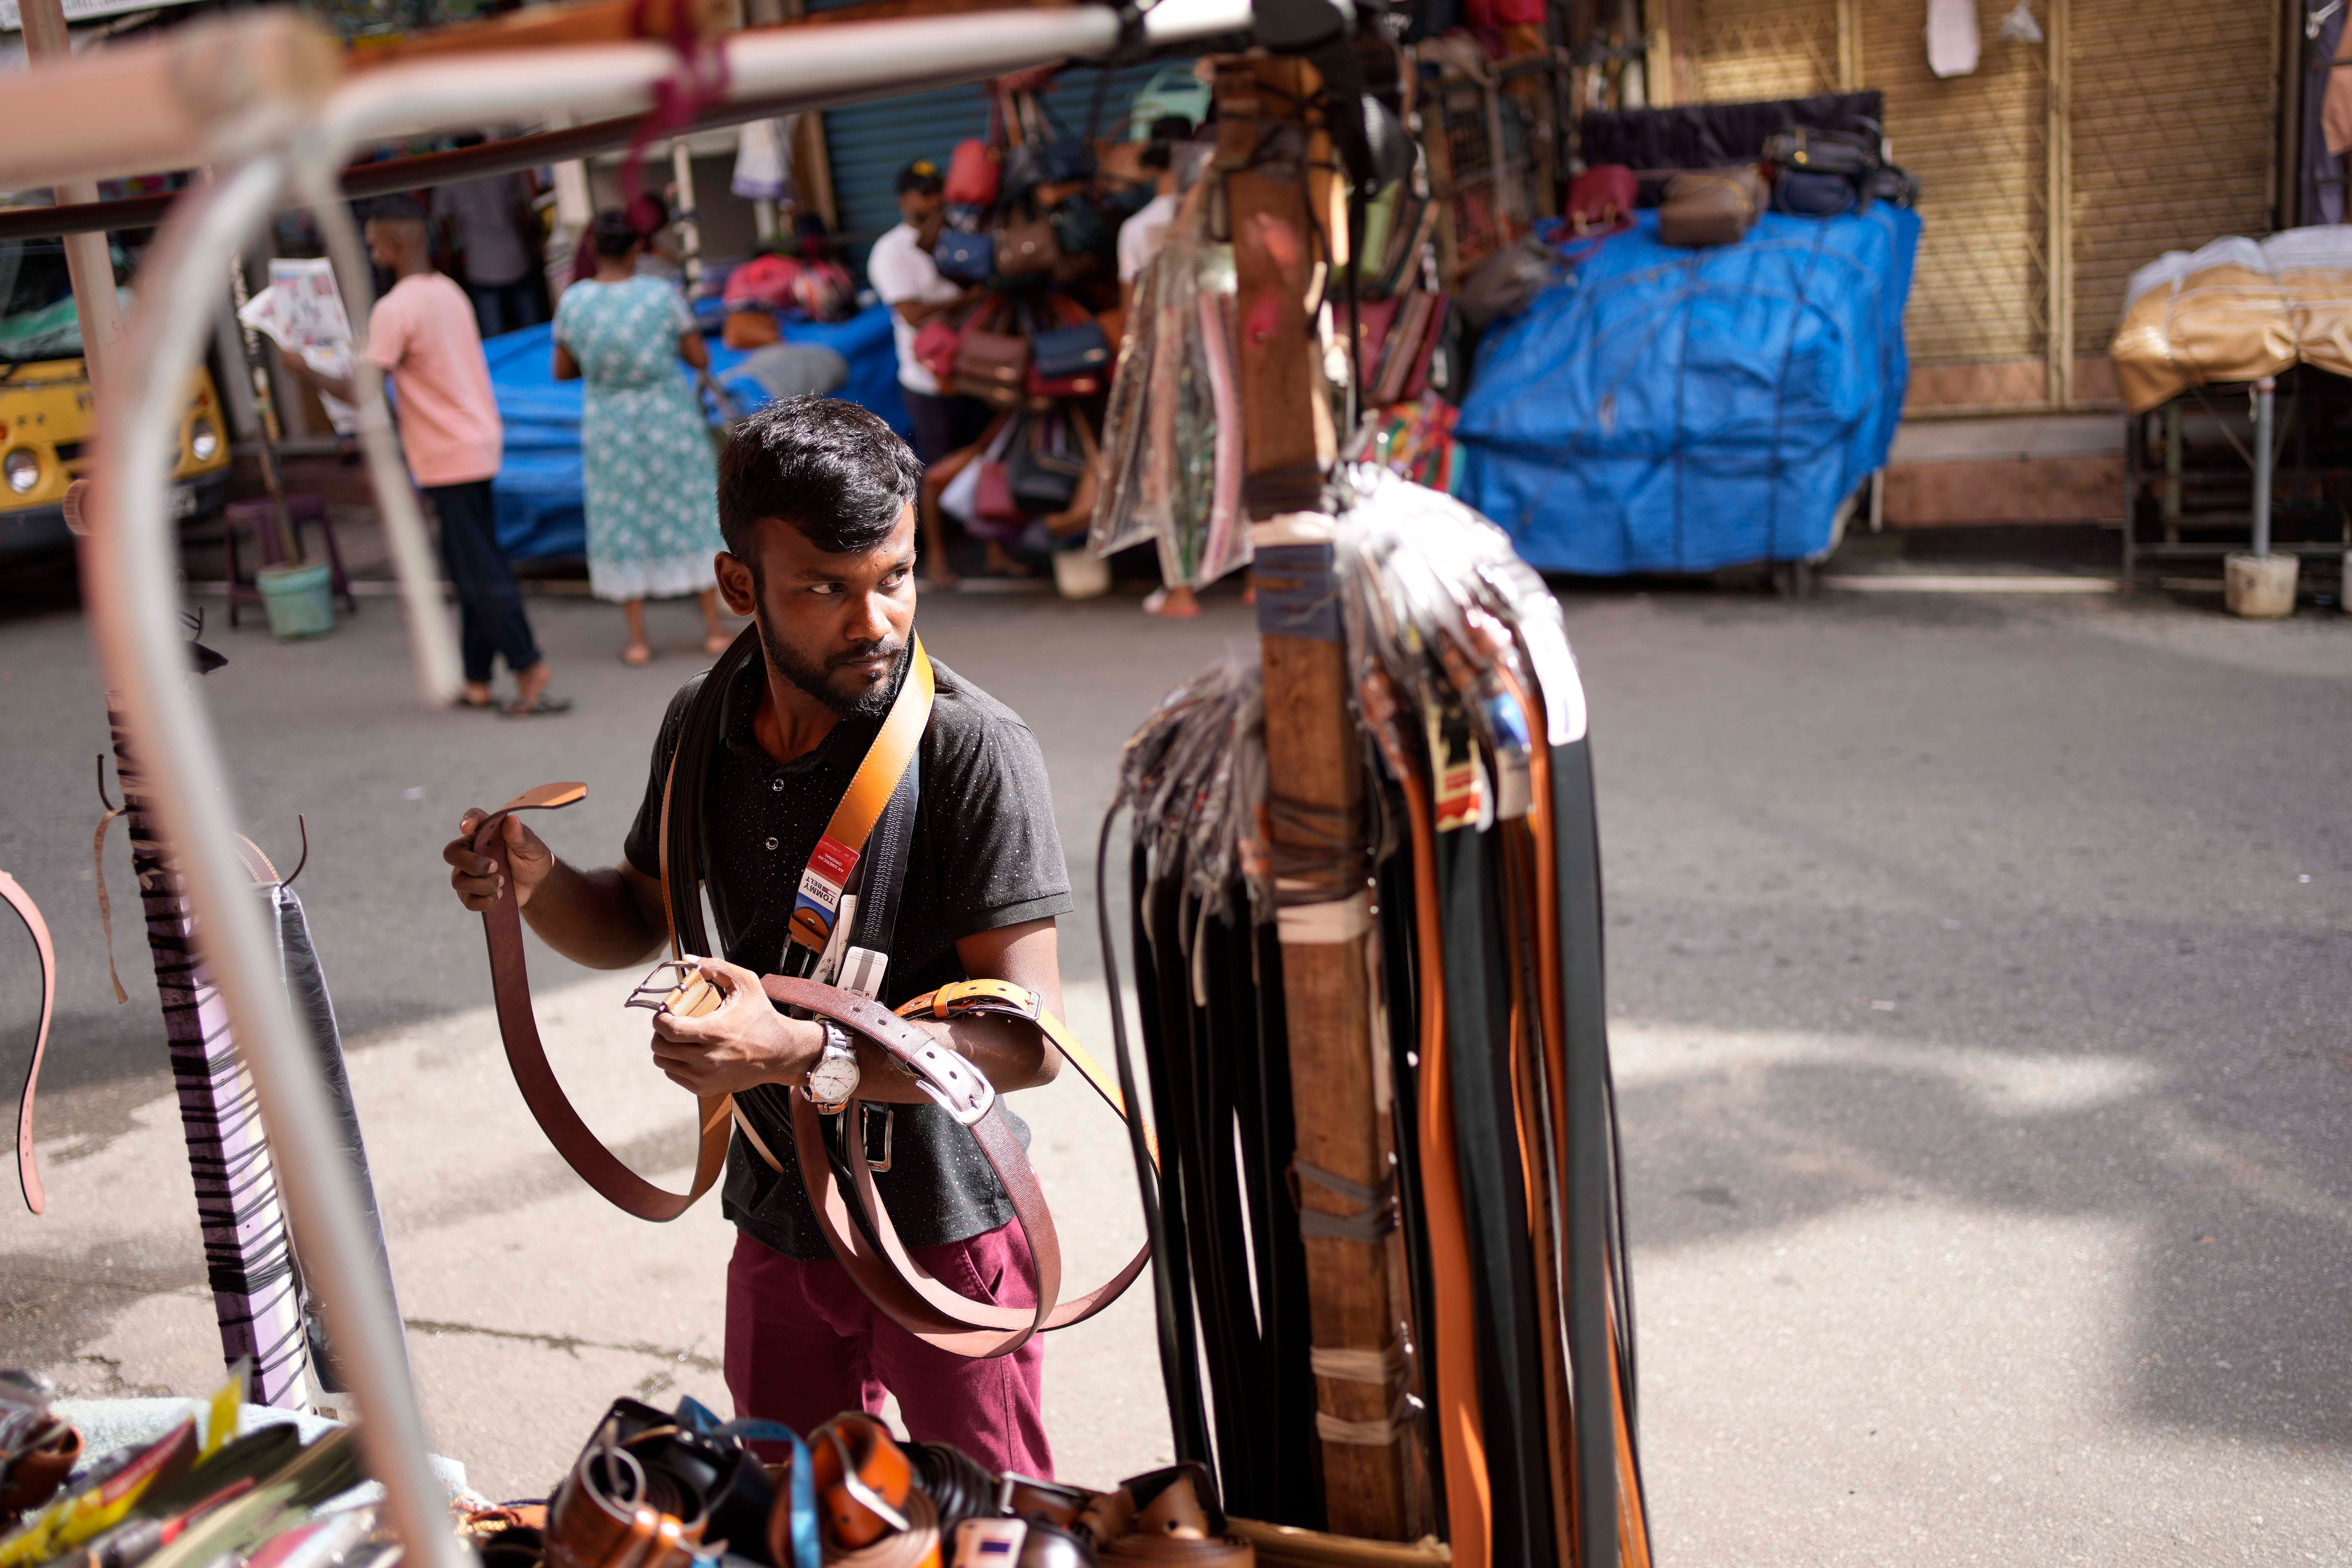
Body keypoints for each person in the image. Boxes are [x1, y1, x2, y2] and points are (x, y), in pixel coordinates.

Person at [440, 396, 1073, 1476]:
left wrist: (803, 1053)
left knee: (992, 1526)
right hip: (778, 1215)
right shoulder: (702, 721)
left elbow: (1028, 1046)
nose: (873, 620)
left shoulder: (973, 750)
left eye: (895, 578)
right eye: (826, 589)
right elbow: (637, 917)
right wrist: (536, 885)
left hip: (945, 1228)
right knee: (782, 1508)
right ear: (742, 586)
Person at [283, 196, 565, 716]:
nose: (371, 253)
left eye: (371, 244)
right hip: (476, 443)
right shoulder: (448, 292)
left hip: (445, 454)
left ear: (391, 245)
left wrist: (302, 368)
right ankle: (478, 678)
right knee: (469, 562)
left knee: (480, 566)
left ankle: (529, 666)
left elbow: (361, 391)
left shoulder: (395, 308)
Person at [554, 208, 734, 665]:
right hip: (666, 416)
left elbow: (562, 369)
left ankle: (638, 639)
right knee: (689, 507)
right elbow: (698, 358)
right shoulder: (660, 295)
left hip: (610, 423)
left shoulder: (574, 301)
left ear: (593, 250)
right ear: (638, 248)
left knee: (621, 519)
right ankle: (713, 629)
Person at [865, 158, 982, 586]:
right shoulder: (891, 250)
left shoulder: (956, 238)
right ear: (904, 200)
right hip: (927, 378)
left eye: (936, 192)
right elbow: (913, 314)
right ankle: (936, 562)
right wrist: (964, 302)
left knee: (981, 456)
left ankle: (997, 553)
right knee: (933, 470)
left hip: (973, 370)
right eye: (923, 193)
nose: (932, 200)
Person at [1117, 117, 1204, 619]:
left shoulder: (1139, 229)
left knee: (1170, 473)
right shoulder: (1215, 218)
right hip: (1220, 358)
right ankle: (1258, 581)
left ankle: (1181, 589)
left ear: (1153, 166)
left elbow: (1136, 317)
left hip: (1166, 364)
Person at [433, 146, 544, 340]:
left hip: (481, 267)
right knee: (533, 336)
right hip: (515, 259)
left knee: (494, 342)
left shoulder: (449, 175)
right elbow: (522, 213)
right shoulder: (502, 164)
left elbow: (444, 229)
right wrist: (534, 247)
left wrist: (447, 270)